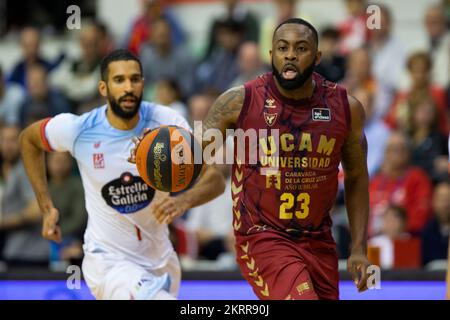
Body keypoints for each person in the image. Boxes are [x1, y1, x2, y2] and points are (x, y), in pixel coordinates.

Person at [19, 49, 225, 300]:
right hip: (108, 261)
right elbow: (28, 139)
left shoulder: (166, 123)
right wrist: (46, 206)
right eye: (119, 80)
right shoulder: (80, 129)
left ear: (143, 83)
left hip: (160, 259)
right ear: (103, 88)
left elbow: (215, 180)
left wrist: (184, 200)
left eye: (135, 79)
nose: (129, 87)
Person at [199, 18, 371, 300]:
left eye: (301, 48)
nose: (290, 54)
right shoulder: (239, 102)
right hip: (262, 236)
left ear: (317, 57)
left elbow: (356, 177)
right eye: (282, 48)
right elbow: (195, 156)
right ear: (271, 56)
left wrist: (359, 249)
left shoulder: (345, 108)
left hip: (318, 240)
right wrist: (159, 158)